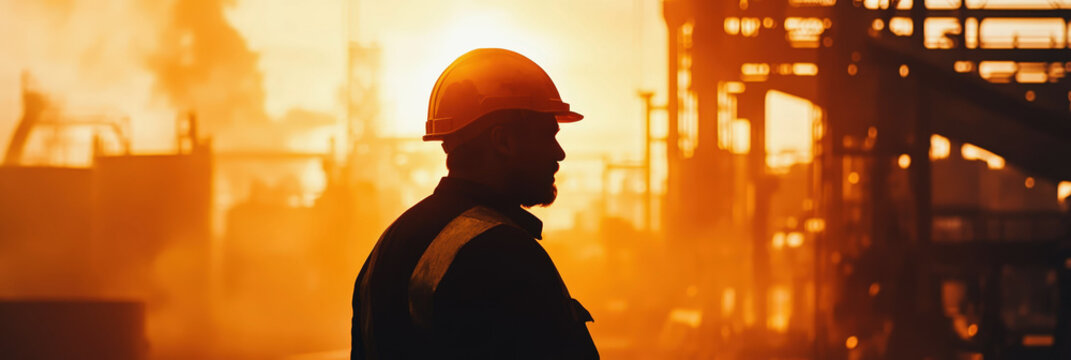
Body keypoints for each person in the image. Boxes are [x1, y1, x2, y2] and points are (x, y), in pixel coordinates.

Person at [351, 48, 598, 359]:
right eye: (548, 135)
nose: (559, 153)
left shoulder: (389, 244)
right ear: (503, 141)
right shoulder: (505, 252)